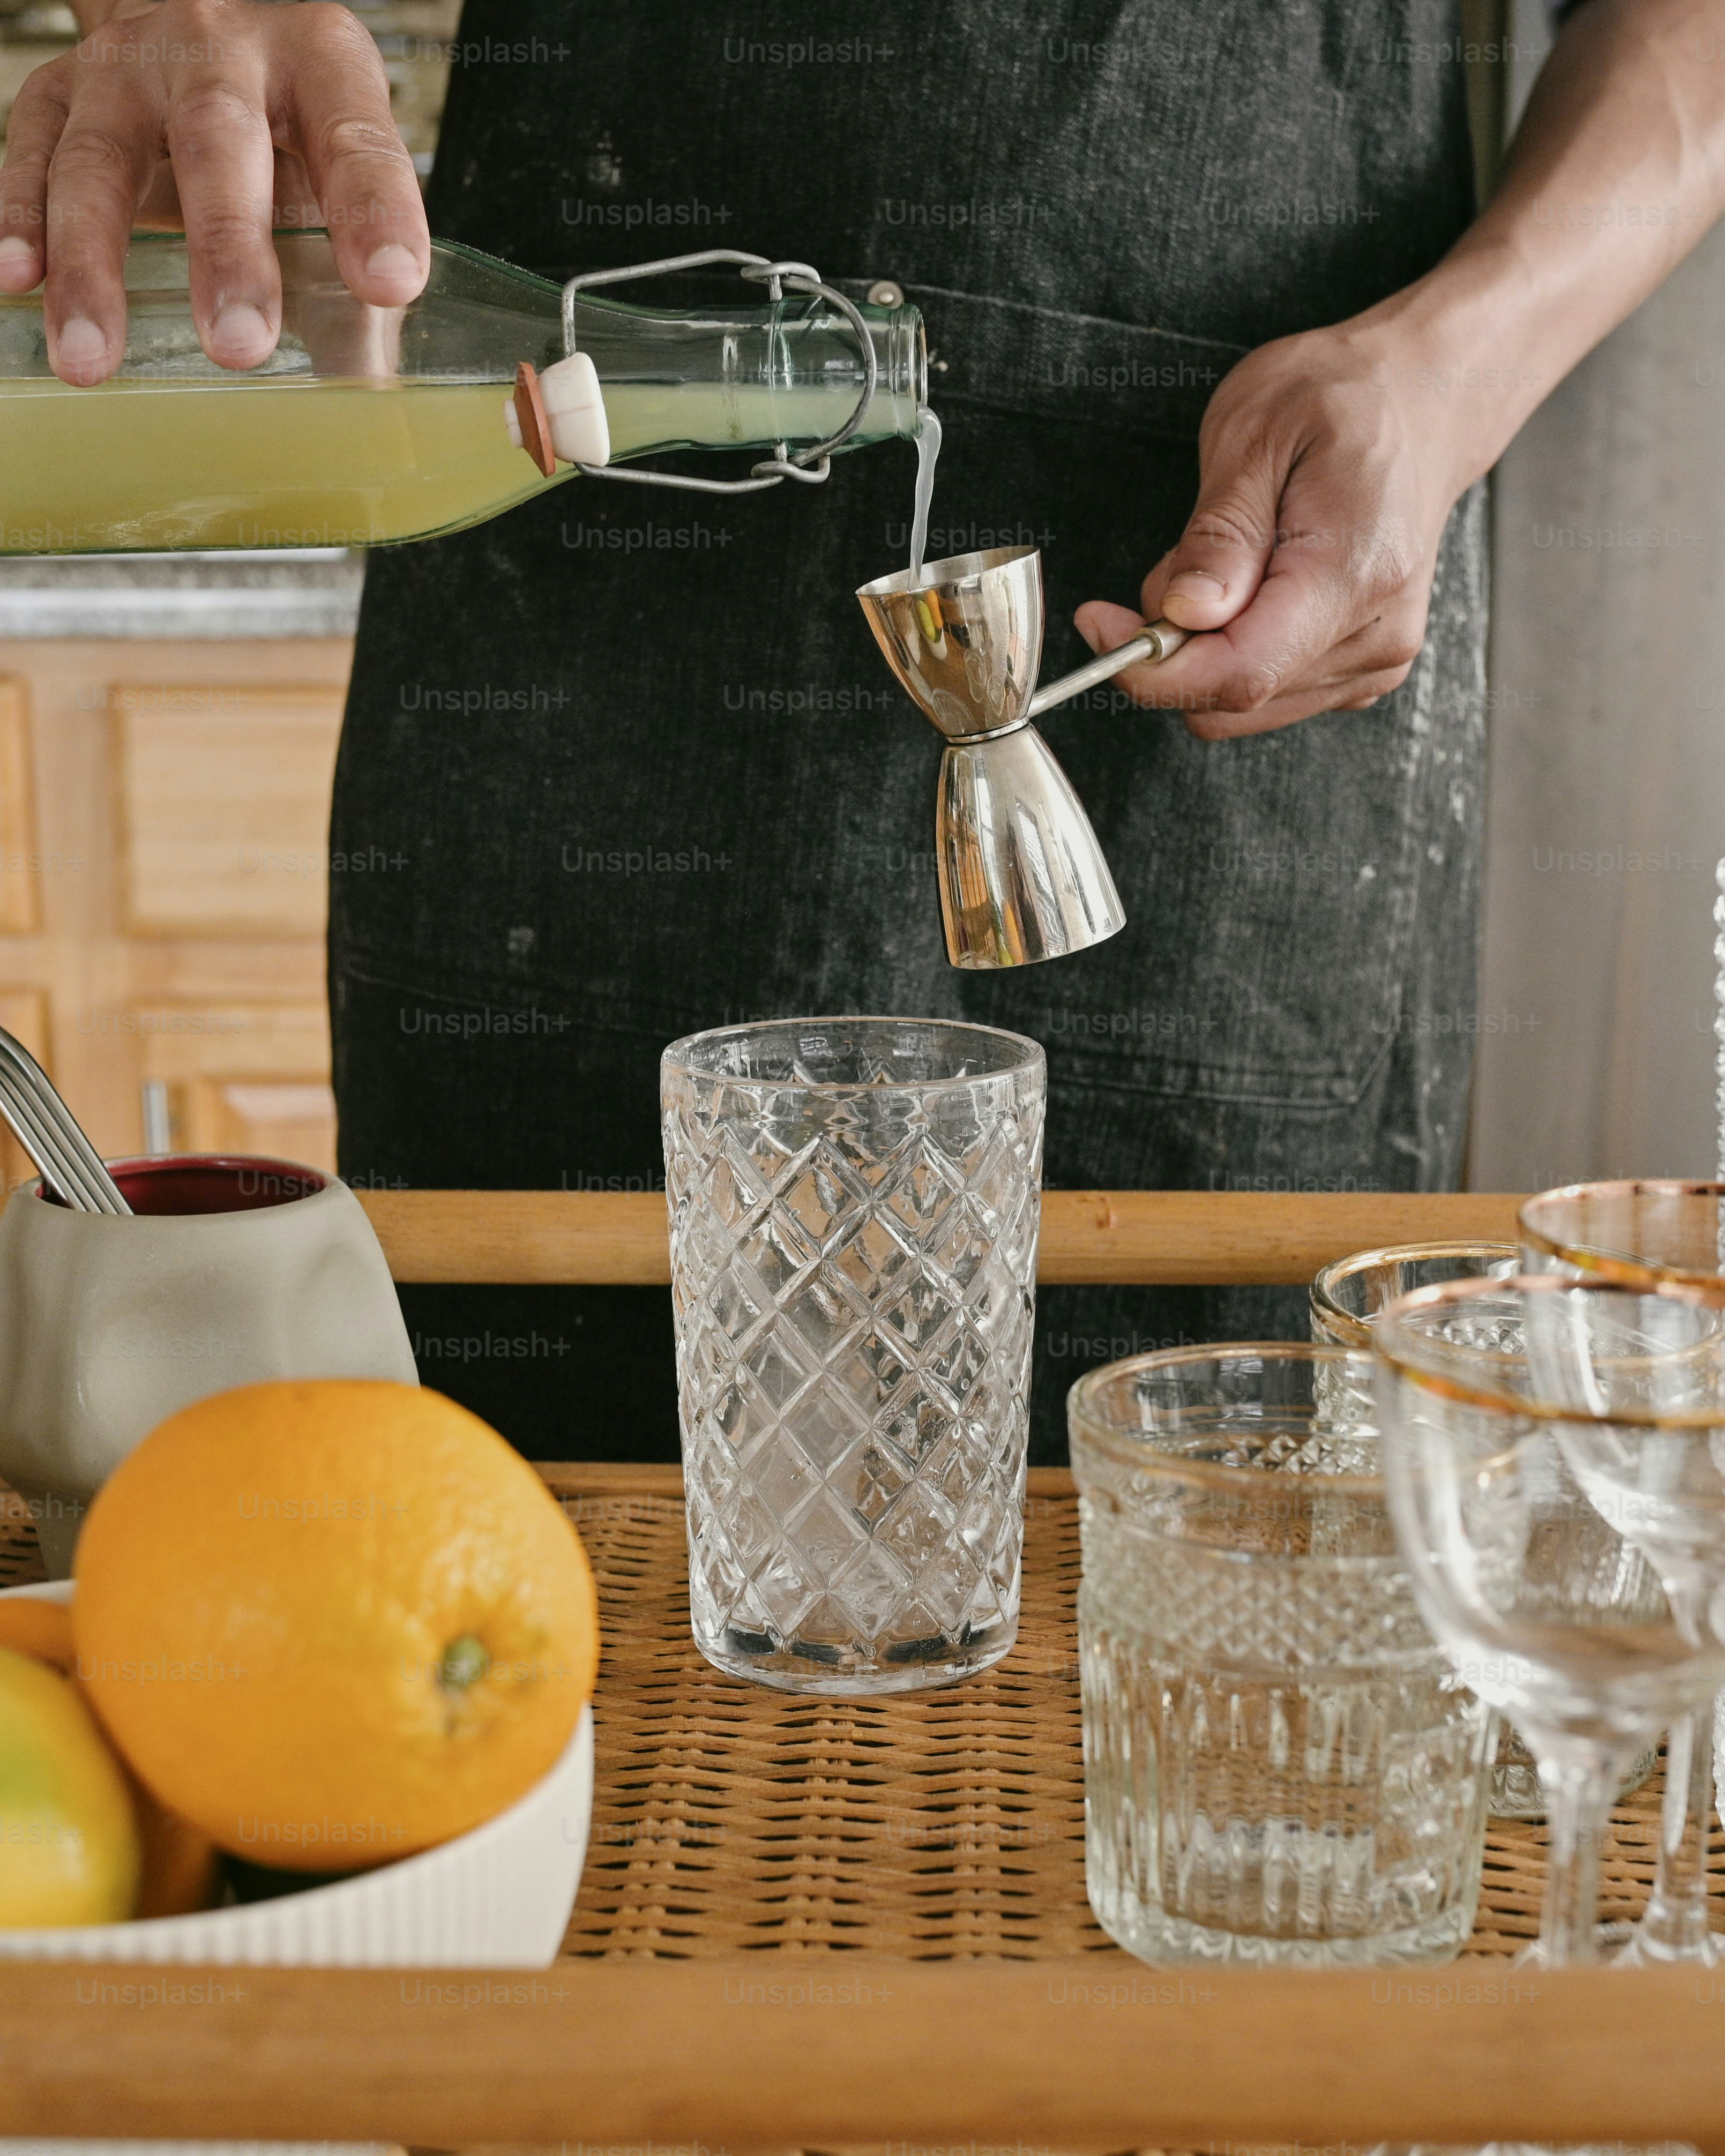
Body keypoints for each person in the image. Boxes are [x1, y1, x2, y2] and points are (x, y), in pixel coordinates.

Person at [5, 1, 1723, 1459]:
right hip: (568, 612)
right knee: (528, 1567)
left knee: (1198, 1552)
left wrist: (1453, 369)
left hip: (1245, 618)